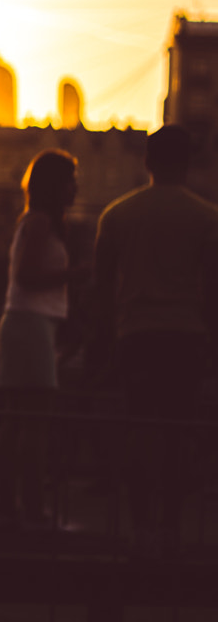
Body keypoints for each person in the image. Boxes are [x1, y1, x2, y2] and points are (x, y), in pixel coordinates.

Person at [93, 124, 218, 418]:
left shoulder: (114, 215)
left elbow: (102, 288)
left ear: (147, 161)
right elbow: (213, 290)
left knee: (139, 425)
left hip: (135, 336)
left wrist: (103, 344)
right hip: (186, 339)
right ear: (187, 163)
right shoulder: (208, 218)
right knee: (181, 428)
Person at [0, 150, 77, 390]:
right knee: (37, 411)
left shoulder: (35, 219)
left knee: (19, 415)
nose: (75, 187)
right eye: (70, 181)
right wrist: (74, 274)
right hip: (31, 324)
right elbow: (26, 276)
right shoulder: (41, 221)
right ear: (55, 185)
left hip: (27, 322)